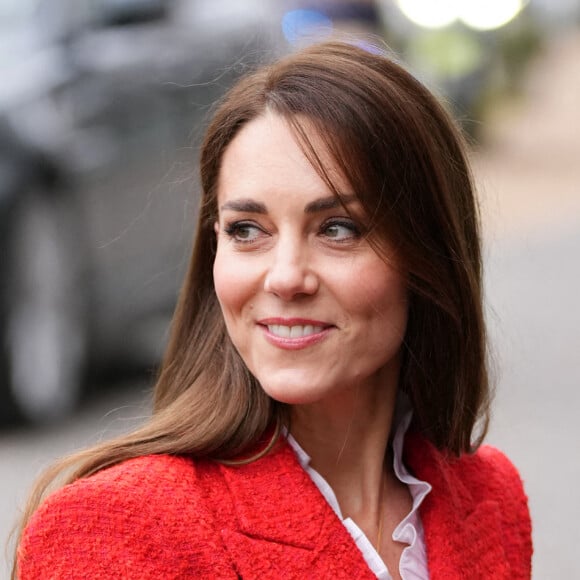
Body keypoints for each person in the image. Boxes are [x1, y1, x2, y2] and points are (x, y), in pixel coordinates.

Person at [14, 40, 532, 579]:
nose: (285, 277)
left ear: (428, 255)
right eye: (247, 231)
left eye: (337, 229)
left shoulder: (489, 499)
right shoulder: (116, 527)